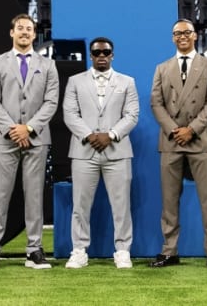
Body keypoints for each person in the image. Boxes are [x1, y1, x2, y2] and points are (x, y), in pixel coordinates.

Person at [0, 13, 59, 270]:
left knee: (34, 196)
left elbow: (51, 102)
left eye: (29, 29)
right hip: (4, 140)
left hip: (36, 139)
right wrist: (13, 129)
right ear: (11, 33)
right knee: (0, 196)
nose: (25, 32)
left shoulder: (48, 65)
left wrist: (30, 128)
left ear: (35, 35)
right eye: (20, 28)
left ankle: (34, 250)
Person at [148, 19, 207, 270]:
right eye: (177, 33)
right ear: (173, 38)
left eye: (186, 32)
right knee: (169, 201)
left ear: (195, 36)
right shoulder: (162, 68)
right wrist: (175, 130)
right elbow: (156, 103)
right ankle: (169, 251)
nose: (182, 37)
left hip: (202, 140)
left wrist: (191, 130)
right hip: (171, 141)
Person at [62, 37, 139, 269]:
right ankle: (79, 250)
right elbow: (70, 113)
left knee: (121, 204)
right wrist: (89, 135)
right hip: (84, 151)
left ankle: (123, 250)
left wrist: (111, 135)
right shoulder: (75, 81)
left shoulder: (127, 82)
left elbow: (132, 115)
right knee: (80, 204)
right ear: (91, 55)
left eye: (106, 52)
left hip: (118, 151)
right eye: (97, 53)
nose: (102, 56)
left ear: (113, 54)